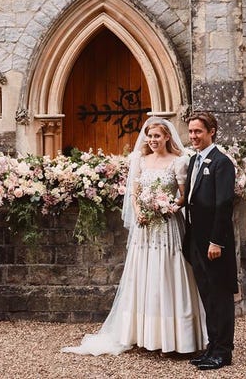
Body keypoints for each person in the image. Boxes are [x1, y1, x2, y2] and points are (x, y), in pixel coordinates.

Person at [62, 116, 206, 356]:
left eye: (157, 136)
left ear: (167, 137)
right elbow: (134, 193)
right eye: (149, 136)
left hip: (168, 226)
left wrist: (168, 206)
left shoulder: (179, 162)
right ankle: (143, 333)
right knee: (144, 274)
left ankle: (175, 336)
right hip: (145, 228)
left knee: (168, 274)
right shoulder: (140, 159)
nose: (152, 140)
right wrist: (140, 212)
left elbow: (183, 195)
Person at [183, 112, 237, 371]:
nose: (193, 136)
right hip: (196, 241)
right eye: (191, 131)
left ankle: (223, 352)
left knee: (220, 296)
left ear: (212, 131)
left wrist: (216, 241)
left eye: (198, 132)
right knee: (207, 296)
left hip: (215, 245)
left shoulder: (221, 163)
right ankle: (212, 346)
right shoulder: (194, 160)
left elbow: (224, 204)